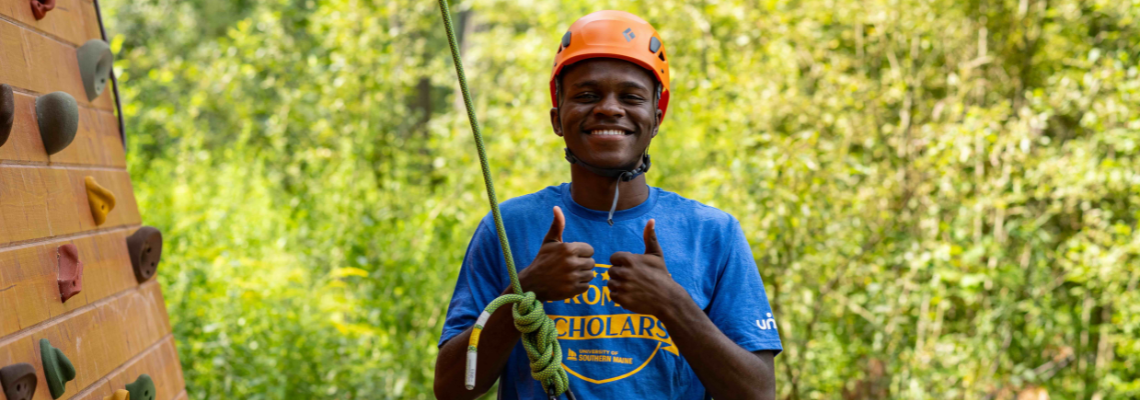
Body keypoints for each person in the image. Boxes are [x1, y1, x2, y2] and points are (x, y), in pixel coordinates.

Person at [434, 10, 781, 400]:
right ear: (557, 118)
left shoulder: (712, 233)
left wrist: (673, 304)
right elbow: (451, 388)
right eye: (586, 95)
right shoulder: (509, 226)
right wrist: (526, 289)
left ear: (657, 117)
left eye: (631, 97)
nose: (609, 108)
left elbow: (758, 392)